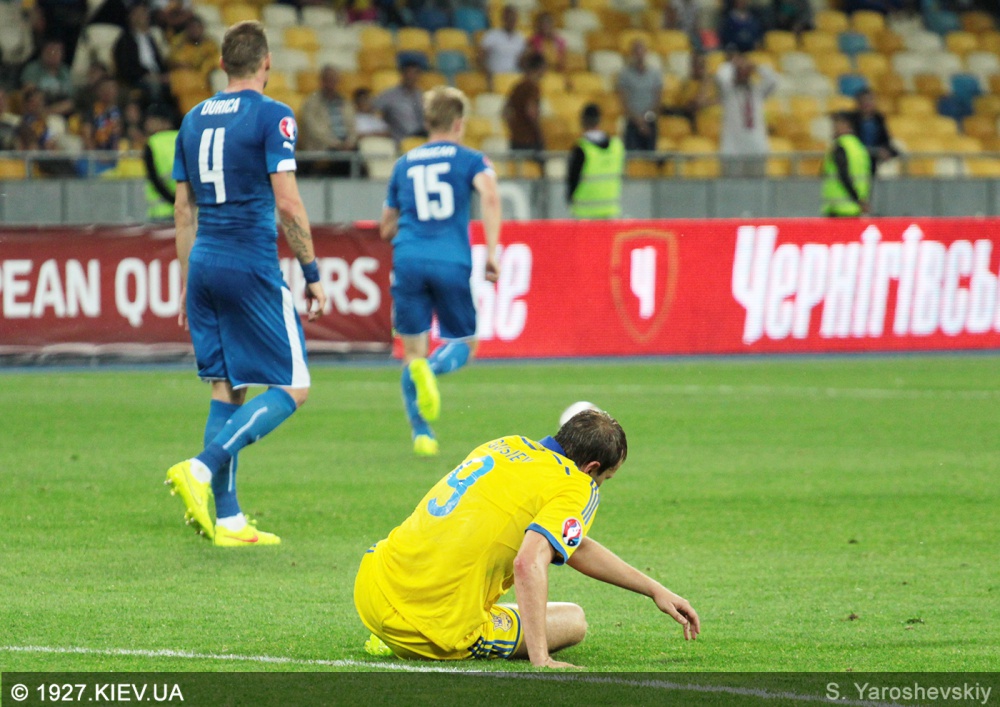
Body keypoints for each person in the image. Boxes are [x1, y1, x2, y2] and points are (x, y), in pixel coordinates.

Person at [354, 408, 701, 666]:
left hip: (373, 587)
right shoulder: (577, 485)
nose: (600, 485)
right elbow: (528, 561)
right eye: (605, 479)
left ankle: (391, 630)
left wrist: (654, 589)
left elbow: (573, 545)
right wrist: (541, 657)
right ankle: (410, 633)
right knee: (573, 620)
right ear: (592, 468)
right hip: (433, 628)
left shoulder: (505, 445)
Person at [166, 20, 328, 547]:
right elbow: (288, 202)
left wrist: (187, 281)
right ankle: (201, 466)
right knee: (294, 386)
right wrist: (311, 271)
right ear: (266, 63)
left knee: (227, 387)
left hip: (205, 262)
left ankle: (230, 519)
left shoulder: (192, 119)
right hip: (249, 262)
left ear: (221, 64)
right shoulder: (272, 115)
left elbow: (182, 211)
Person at [380, 85, 501, 457]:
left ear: (428, 121)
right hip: (450, 259)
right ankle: (431, 370)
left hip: (408, 259)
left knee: (412, 352)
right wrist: (492, 252)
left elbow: (386, 227)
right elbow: (490, 195)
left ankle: (422, 433)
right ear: (459, 123)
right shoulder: (471, 160)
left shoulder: (404, 163)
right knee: (466, 344)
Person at [717, 50, 777, 177]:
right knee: (731, 186)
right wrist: (733, 64)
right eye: (740, 71)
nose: (743, 74)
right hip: (733, 150)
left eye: (746, 70)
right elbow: (720, 75)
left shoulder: (757, 91)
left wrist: (756, 67)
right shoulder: (728, 91)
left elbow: (773, 80)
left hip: (757, 148)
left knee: (758, 186)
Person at [567, 103, 624, 219]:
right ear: (600, 121)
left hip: (585, 215)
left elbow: (572, 181)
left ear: (582, 122)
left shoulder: (581, 149)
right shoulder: (617, 146)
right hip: (610, 214)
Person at [298, 65, 357, 176]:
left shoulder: (345, 102)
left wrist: (350, 142)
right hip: (323, 148)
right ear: (322, 81)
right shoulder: (311, 103)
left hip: (346, 147)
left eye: (334, 80)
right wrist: (336, 144)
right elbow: (314, 131)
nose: (332, 84)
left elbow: (352, 127)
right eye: (329, 80)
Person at [822, 112, 871, 217]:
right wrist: (861, 201)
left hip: (838, 208)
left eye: (836, 124)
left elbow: (844, 175)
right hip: (855, 208)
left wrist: (857, 199)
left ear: (846, 125)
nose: (833, 128)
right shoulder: (859, 147)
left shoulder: (840, 146)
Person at [617, 39, 663, 152]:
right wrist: (638, 122)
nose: (639, 55)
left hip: (650, 122)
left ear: (646, 52)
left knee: (650, 156)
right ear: (632, 54)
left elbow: (657, 100)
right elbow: (624, 101)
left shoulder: (655, 74)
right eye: (636, 51)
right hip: (632, 122)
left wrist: (646, 119)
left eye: (641, 51)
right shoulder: (625, 75)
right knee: (631, 156)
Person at [373, 58, 426, 144]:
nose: (411, 76)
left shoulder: (421, 95)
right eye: (409, 73)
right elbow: (372, 110)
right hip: (401, 140)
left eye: (415, 73)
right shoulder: (389, 95)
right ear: (402, 74)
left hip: (422, 138)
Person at [847, 88, 897, 175]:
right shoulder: (851, 120)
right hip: (857, 158)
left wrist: (887, 151)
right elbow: (851, 142)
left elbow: (885, 139)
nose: (867, 104)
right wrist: (873, 151)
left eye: (870, 100)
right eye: (864, 101)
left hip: (875, 159)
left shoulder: (879, 119)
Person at [503, 50, 545, 153]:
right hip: (530, 139)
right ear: (540, 67)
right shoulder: (532, 87)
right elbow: (531, 111)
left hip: (516, 138)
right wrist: (539, 132)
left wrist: (514, 127)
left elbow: (505, 112)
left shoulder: (518, 86)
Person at [20, 40, 75, 117]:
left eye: (57, 51)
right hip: (38, 107)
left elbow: (70, 96)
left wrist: (50, 111)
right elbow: (28, 91)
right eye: (50, 51)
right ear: (43, 52)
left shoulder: (65, 71)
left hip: (58, 110)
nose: (53, 54)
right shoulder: (33, 68)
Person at [143, 108, 178, 221]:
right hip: (188, 210)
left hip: (162, 211)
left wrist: (173, 200)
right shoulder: (184, 137)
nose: (147, 124)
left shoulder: (153, 142)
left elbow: (154, 178)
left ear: (164, 121)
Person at [478, 5, 526, 86]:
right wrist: (487, 74)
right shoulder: (492, 35)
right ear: (503, 19)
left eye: (513, 18)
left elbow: (523, 60)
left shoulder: (520, 37)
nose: (511, 21)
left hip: (514, 77)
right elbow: (480, 57)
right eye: (509, 18)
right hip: (495, 77)